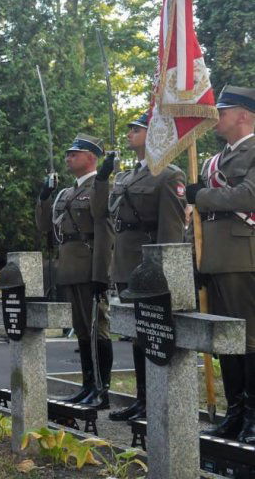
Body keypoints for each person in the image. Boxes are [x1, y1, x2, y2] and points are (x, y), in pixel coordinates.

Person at [98, 112, 187, 422]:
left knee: (153, 331)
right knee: (138, 334)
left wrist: (163, 271)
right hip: (124, 262)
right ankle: (142, 398)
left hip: (147, 267)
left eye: (136, 129)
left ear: (153, 135)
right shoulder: (124, 176)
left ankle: (157, 400)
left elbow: (172, 231)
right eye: (130, 129)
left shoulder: (168, 174)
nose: (129, 134)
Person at [187, 85, 255, 442]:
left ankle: (254, 417)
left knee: (250, 339)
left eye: (223, 111)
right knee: (227, 341)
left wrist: (204, 196)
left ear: (243, 115)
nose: (217, 118)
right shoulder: (216, 159)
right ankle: (236, 411)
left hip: (243, 256)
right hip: (215, 257)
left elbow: (248, 195)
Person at [36, 134, 114, 409]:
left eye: (75, 154)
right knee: (82, 330)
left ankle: (101, 390)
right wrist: (45, 197)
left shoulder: (100, 186)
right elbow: (47, 226)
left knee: (97, 330)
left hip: (89, 265)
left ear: (91, 157)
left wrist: (100, 275)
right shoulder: (66, 193)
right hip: (69, 267)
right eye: (68, 154)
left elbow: (104, 232)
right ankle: (87, 385)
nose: (69, 157)